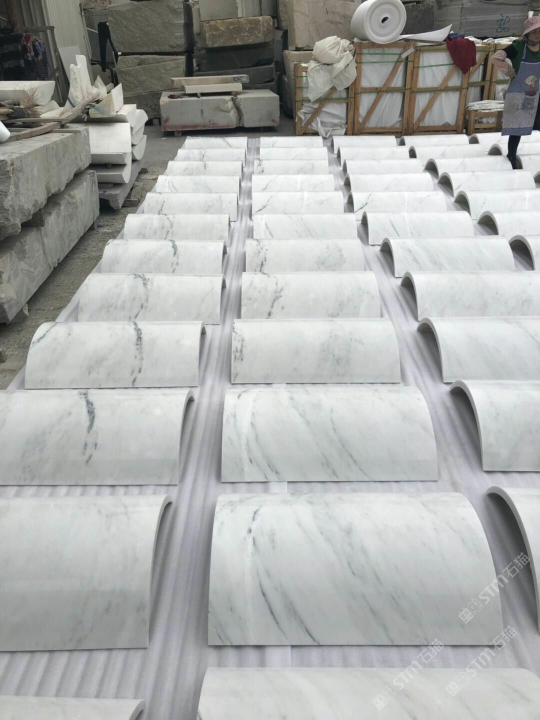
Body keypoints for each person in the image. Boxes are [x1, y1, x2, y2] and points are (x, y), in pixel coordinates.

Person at [492, 15, 540, 168]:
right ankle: (511, 156)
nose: (538, 34)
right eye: (534, 31)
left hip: (536, 92)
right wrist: (509, 71)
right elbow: (496, 57)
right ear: (527, 33)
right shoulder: (518, 46)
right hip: (518, 94)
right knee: (516, 127)